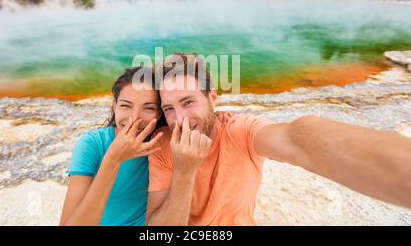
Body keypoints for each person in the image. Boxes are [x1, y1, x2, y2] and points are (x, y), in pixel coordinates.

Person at [146, 53, 411, 226]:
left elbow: (298, 139)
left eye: (188, 102)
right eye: (169, 108)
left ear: (212, 98)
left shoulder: (241, 131)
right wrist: (183, 171)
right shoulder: (162, 145)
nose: (179, 119)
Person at [59, 66, 165, 226]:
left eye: (149, 108)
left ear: (159, 113)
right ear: (115, 105)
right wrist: (113, 160)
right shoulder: (92, 145)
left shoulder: (164, 143)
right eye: (125, 105)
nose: (134, 119)